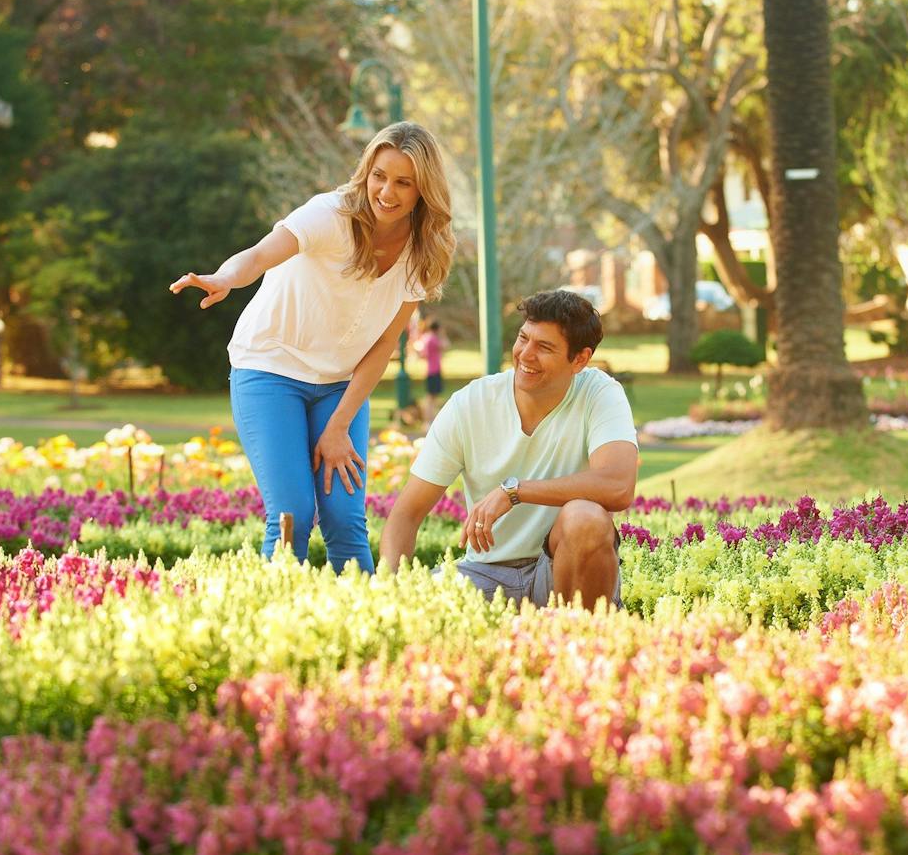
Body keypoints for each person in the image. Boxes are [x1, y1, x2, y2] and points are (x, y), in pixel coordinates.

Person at [169, 122, 455, 571]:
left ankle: (366, 614)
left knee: (345, 518)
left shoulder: (425, 250)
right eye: (379, 176)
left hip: (340, 384)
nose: (386, 192)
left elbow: (384, 343)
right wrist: (224, 278)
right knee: (292, 515)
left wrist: (339, 425)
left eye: (404, 182)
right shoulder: (329, 215)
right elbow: (259, 255)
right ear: (366, 172)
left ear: (424, 189)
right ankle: (276, 609)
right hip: (270, 371)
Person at [378, 289, 638, 610]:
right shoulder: (470, 404)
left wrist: (515, 491)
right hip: (485, 573)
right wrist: (389, 591)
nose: (526, 354)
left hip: (561, 571)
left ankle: (579, 634)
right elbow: (406, 514)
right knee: (414, 605)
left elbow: (618, 485)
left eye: (544, 347)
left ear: (580, 359)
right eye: (523, 338)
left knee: (585, 518)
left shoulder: (599, 394)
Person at [415, 315, 446, 425]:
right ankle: (428, 420)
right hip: (434, 370)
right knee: (431, 397)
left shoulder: (426, 337)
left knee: (431, 397)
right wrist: (442, 335)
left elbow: (422, 353)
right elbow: (445, 345)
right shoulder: (433, 339)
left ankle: (429, 419)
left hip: (430, 370)